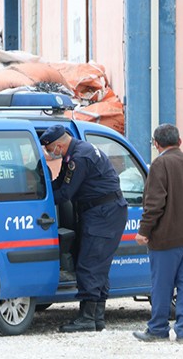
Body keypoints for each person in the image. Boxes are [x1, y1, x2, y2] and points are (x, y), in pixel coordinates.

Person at [39, 124, 128, 333]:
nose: (50, 153)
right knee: (98, 265)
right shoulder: (76, 152)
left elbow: (66, 194)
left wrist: (39, 201)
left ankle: (87, 318)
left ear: (59, 145)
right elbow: (60, 182)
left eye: (50, 148)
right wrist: (42, 188)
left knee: (89, 263)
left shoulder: (79, 157)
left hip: (104, 214)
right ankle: (97, 318)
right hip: (101, 212)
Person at [132, 124, 183, 343]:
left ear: (156, 144)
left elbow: (155, 203)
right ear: (180, 141)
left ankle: (158, 328)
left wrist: (144, 231)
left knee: (162, 284)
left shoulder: (160, 164)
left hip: (167, 237)